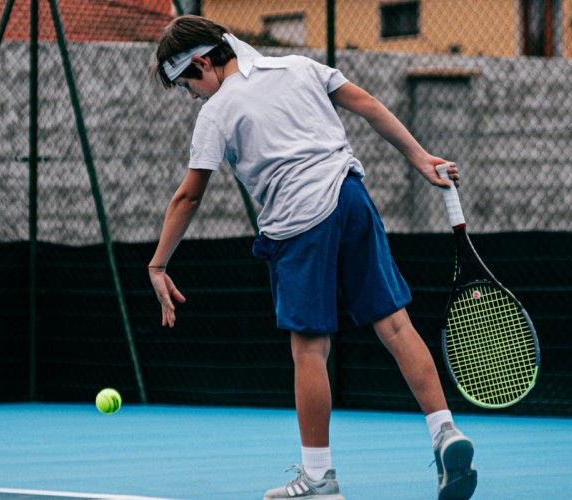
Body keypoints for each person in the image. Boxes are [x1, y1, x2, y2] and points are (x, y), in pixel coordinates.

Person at [146, 15, 478, 500]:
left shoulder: (216, 112)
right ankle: (445, 431)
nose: (191, 95)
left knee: (310, 349)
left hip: (299, 222)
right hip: (352, 196)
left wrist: (157, 264)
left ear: (202, 63)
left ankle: (320, 479)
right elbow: (365, 103)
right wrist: (420, 156)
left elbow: (187, 198)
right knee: (397, 325)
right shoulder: (300, 67)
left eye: (187, 83)